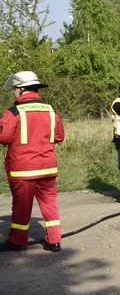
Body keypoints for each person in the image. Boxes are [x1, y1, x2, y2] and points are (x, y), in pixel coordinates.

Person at [0, 71, 64, 252]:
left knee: (21, 206)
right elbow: (59, 136)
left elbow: (3, 138)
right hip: (47, 167)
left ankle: (17, 242)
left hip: (23, 169)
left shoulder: (14, 111)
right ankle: (54, 241)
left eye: (14, 89)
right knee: (50, 204)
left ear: (22, 89)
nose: (13, 92)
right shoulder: (51, 109)